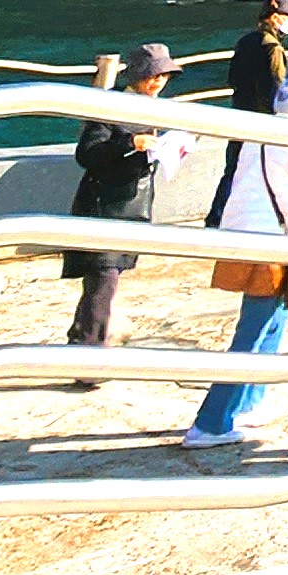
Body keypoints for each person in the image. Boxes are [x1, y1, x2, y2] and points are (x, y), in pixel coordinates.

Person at [188, 63, 288, 446]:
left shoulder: (262, 131)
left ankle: (248, 404)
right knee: (252, 335)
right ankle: (210, 423)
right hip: (277, 246)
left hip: (250, 237)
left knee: (271, 324)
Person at [55, 44, 186, 374]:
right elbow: (87, 153)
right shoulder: (111, 106)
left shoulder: (154, 107)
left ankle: (83, 342)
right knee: (104, 278)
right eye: (153, 75)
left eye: (164, 76)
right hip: (104, 205)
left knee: (105, 281)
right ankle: (89, 360)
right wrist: (129, 143)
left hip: (131, 203)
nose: (159, 82)